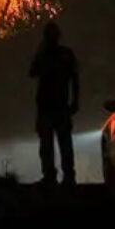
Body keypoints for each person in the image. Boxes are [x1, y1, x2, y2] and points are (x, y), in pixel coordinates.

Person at [29, 21, 80, 186]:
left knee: (56, 144)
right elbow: (33, 72)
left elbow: (33, 72)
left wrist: (75, 100)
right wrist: (75, 101)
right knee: (55, 144)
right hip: (53, 106)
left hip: (52, 106)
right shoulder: (62, 54)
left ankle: (58, 176)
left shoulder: (54, 54)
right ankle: (60, 176)